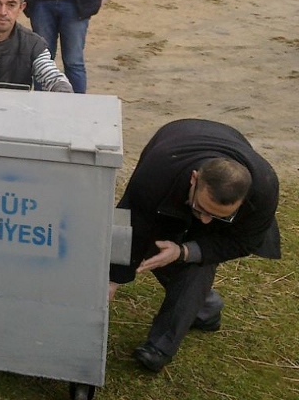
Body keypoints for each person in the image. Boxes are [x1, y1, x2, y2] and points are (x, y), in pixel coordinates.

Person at [108, 119, 280, 373]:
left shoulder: (264, 188)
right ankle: (205, 308)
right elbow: (133, 224)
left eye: (220, 216)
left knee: (197, 262)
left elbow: (244, 241)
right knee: (155, 244)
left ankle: (160, 346)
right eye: (202, 209)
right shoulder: (157, 173)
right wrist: (114, 278)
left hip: (220, 149)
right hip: (172, 146)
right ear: (193, 179)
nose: (206, 220)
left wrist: (185, 250)